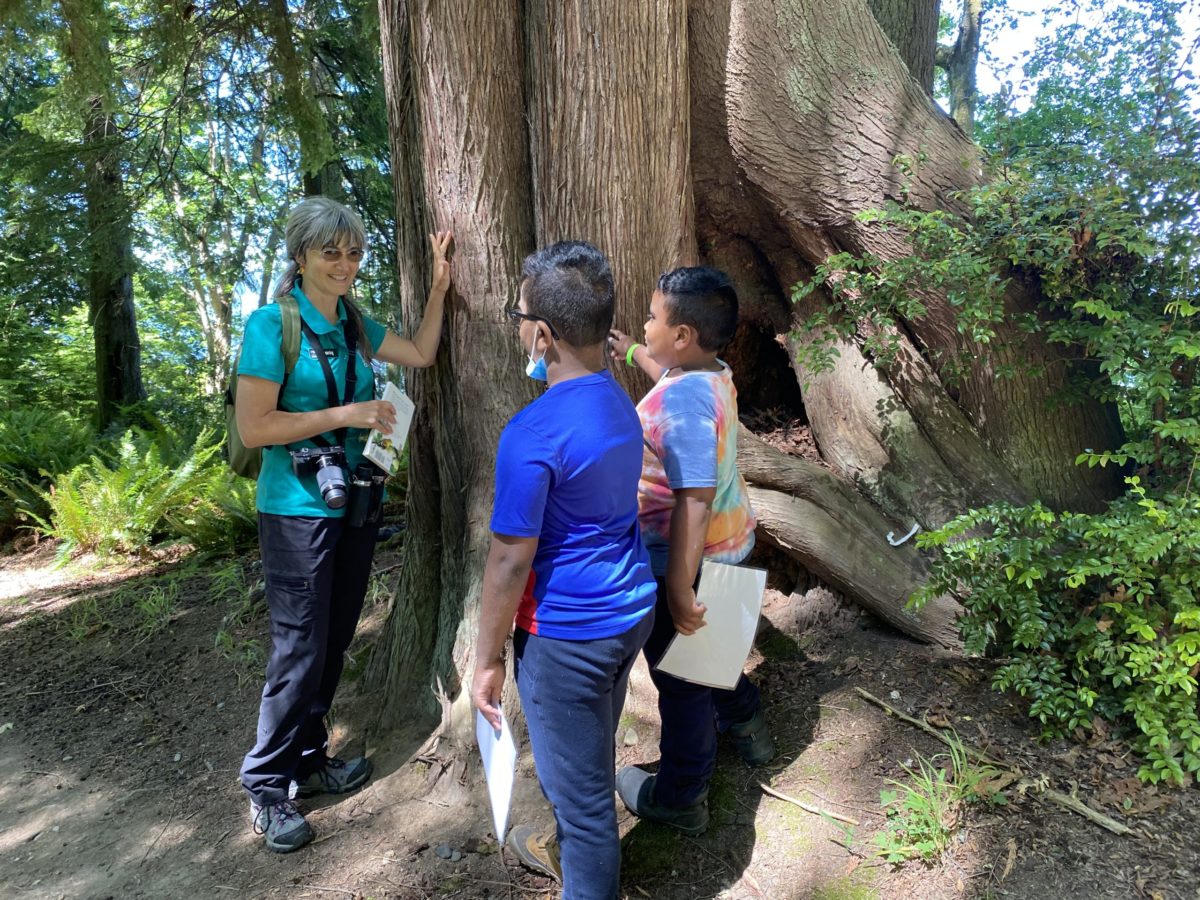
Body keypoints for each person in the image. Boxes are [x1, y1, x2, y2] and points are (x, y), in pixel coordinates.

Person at [236, 196, 452, 853]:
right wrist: (348, 416)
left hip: (354, 501)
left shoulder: (355, 324)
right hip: (297, 511)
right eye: (330, 250)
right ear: (299, 256)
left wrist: (441, 286)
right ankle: (266, 787)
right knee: (298, 649)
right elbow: (255, 426)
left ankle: (308, 758)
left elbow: (419, 352)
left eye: (354, 251)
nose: (345, 263)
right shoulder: (273, 327)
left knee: (331, 641)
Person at [470, 241, 656, 899]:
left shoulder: (532, 432)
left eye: (519, 314)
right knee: (588, 766)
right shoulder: (617, 400)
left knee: (584, 817)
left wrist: (486, 660)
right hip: (629, 613)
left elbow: (509, 558)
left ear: (541, 336)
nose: (518, 324)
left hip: (567, 638)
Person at [608, 266, 774, 837]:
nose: (645, 323)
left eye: (652, 318)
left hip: (684, 558)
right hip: (732, 546)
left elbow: (694, 499)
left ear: (682, 336)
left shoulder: (681, 406)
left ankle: (681, 793)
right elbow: (672, 385)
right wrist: (635, 354)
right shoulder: (712, 376)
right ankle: (749, 728)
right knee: (714, 659)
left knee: (681, 683)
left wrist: (678, 588)